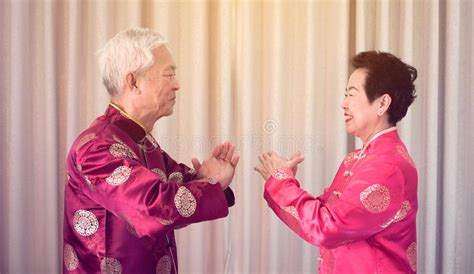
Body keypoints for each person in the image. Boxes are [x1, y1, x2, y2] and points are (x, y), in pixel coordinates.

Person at [63, 27, 239, 274]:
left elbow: (176, 184)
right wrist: (209, 185)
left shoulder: (141, 141)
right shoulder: (96, 148)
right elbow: (152, 207)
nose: (177, 85)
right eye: (169, 74)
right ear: (133, 81)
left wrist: (207, 179)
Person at [255, 51, 418, 273]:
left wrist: (282, 182)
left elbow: (327, 228)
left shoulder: (388, 167)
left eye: (352, 94)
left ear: (382, 103)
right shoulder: (359, 159)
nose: (343, 104)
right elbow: (322, 216)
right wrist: (284, 179)